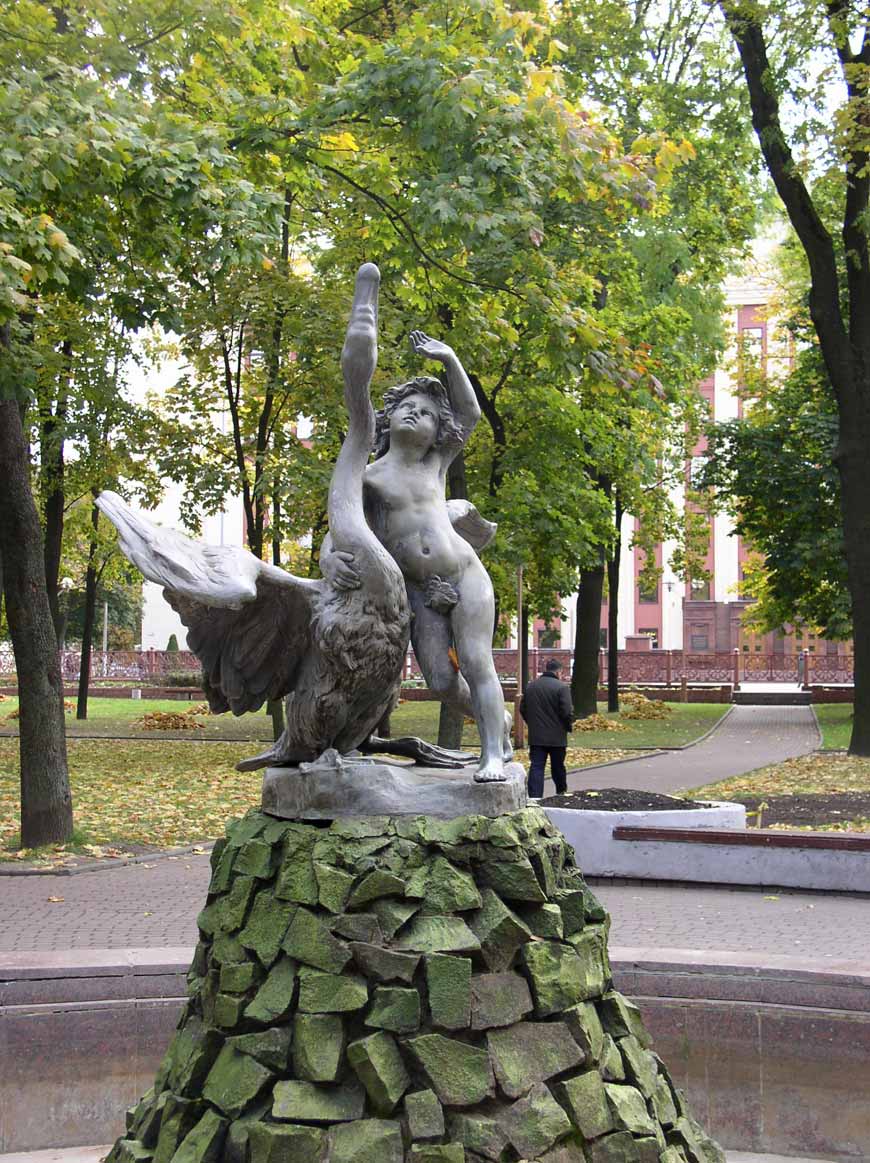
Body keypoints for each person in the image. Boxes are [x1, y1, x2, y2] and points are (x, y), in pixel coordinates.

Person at [323, 330, 511, 783]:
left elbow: (469, 412)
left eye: (427, 412)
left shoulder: (435, 464)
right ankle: (498, 723)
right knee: (442, 684)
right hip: (421, 593)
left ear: (436, 433)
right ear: (387, 420)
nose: (415, 412)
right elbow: (344, 525)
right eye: (408, 407)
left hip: (464, 575)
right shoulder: (366, 478)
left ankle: (492, 754)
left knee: (475, 659)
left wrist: (449, 357)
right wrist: (330, 559)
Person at [519, 658, 574, 797]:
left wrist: (532, 723)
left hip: (536, 736)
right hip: (557, 736)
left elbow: (523, 708)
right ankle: (561, 793)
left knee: (536, 766)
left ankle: (535, 797)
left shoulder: (531, 686)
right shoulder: (562, 688)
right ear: (559, 671)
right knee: (558, 767)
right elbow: (567, 711)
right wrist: (567, 726)